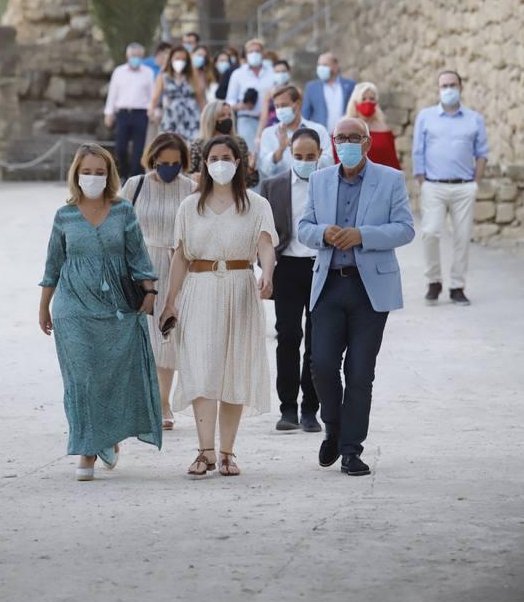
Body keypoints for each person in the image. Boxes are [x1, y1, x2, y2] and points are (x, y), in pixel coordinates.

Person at [298, 118, 415, 477]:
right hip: (329, 285)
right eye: (341, 138)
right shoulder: (318, 180)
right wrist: (324, 233)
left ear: (366, 143)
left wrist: (363, 235)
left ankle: (351, 450)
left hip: (370, 290)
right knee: (322, 367)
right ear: (333, 143)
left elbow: (405, 229)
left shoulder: (390, 179)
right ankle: (333, 428)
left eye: (354, 137)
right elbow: (304, 228)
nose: (346, 143)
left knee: (360, 372)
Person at [38, 143, 161, 482]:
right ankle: (87, 449)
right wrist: (43, 307)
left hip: (115, 307)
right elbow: (53, 264)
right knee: (81, 379)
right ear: (76, 174)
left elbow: (138, 257)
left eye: (99, 172)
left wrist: (150, 293)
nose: (93, 177)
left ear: (109, 175)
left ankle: (107, 437)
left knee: (110, 377)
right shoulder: (64, 215)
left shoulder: (122, 211)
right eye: (87, 172)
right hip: (71, 307)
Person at [159, 135, 277, 478]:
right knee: (202, 367)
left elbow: (266, 244)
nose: (220, 162)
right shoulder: (189, 206)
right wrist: (170, 301)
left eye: (227, 156)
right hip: (199, 289)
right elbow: (180, 256)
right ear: (204, 164)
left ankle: (227, 451)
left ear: (238, 163)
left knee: (234, 368)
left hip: (240, 287)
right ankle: (205, 450)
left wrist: (267, 274)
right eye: (214, 157)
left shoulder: (256, 204)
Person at [123, 133, 195, 430]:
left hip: (179, 264)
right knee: (143, 336)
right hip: (142, 265)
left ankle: (163, 402)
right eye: (164, 163)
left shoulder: (190, 187)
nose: (169, 168)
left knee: (169, 336)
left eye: (176, 163)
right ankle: (145, 401)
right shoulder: (134, 185)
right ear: (153, 159)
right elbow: (121, 225)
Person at [261, 128, 322, 433]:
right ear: (290, 154)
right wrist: (266, 271)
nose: (304, 161)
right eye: (298, 156)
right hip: (287, 269)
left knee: (318, 340)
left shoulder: (330, 184)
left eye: (310, 157)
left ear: (320, 155)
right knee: (287, 337)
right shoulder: (273, 187)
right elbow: (263, 234)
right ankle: (288, 409)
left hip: (321, 269)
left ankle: (312, 409)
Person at [412, 70, 488, 306]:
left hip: (464, 187)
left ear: (461, 87)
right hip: (433, 186)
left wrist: (475, 182)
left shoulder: (475, 119)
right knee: (430, 233)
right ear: (438, 89)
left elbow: (482, 153)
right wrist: (422, 181)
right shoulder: (425, 117)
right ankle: (433, 281)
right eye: (444, 85)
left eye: (452, 85)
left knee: (462, 238)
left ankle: (457, 286)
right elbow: (418, 150)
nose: (448, 89)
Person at [104, 43, 155, 181]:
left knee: (139, 150)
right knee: (120, 147)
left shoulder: (148, 72)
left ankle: (135, 178)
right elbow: (112, 94)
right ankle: (123, 174)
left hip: (141, 113)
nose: (135, 58)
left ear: (142, 56)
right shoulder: (119, 72)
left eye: (138, 56)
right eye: (133, 56)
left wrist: (153, 111)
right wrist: (109, 113)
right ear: (127, 56)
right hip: (123, 114)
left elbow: (152, 95)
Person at [259, 84, 333, 178]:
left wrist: (308, 154)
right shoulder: (268, 133)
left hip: (312, 185)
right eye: (277, 106)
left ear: (297, 104)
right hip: (282, 189)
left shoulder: (318, 130)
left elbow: (329, 164)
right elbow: (265, 170)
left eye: (284, 105)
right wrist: (280, 149)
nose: (280, 110)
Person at [189, 100, 259, 188]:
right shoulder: (198, 145)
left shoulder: (239, 143)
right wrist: (195, 178)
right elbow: (188, 178)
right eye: (222, 115)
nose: (228, 118)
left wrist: (250, 169)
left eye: (230, 115)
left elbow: (249, 182)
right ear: (211, 119)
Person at [226, 39, 275, 151]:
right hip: (246, 120)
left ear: (263, 53)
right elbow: (229, 101)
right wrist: (243, 105)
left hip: (269, 121)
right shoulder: (238, 74)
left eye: (257, 51)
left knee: (268, 153)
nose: (254, 54)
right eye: (250, 51)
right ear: (246, 54)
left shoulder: (272, 72)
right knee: (249, 153)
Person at [148, 45, 204, 142]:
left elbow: (200, 98)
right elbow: (156, 97)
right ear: (171, 59)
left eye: (183, 59)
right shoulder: (163, 76)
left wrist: (205, 114)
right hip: (171, 116)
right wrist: (151, 111)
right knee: (169, 144)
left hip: (191, 116)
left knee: (193, 145)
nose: (180, 61)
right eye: (177, 58)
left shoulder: (192, 76)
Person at [340, 82, 401, 169]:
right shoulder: (344, 127)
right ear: (356, 102)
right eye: (363, 99)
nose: (368, 102)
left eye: (372, 99)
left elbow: (392, 161)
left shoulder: (384, 130)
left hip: (381, 179)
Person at [302, 52, 356, 133]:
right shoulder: (311, 87)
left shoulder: (350, 85)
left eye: (325, 65)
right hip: (321, 137)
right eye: (319, 65)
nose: (321, 68)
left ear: (335, 66)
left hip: (345, 136)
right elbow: (305, 114)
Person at [255, 59, 293, 141]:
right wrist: (258, 136)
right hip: (272, 129)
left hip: (291, 130)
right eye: (277, 72)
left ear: (289, 72)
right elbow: (264, 117)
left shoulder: (295, 91)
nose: (280, 74)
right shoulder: (269, 93)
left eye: (283, 71)